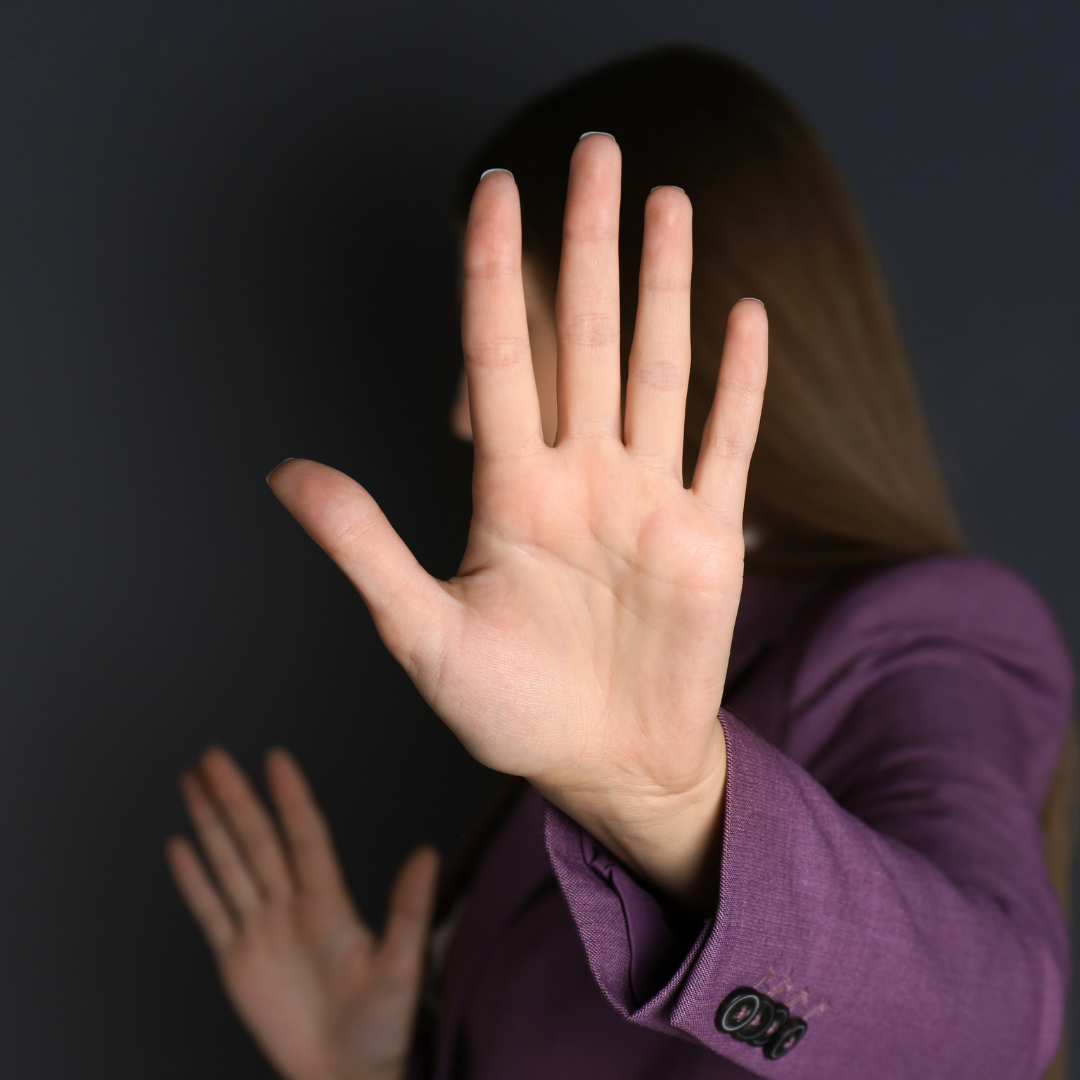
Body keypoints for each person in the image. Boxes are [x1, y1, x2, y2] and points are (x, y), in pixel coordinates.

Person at [165, 48, 1074, 1080]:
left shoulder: (919, 628)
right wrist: (363, 1069)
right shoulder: (585, 687)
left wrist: (657, 795)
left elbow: (991, 1028)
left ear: (656, 332)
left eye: (501, 337)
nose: (464, 413)